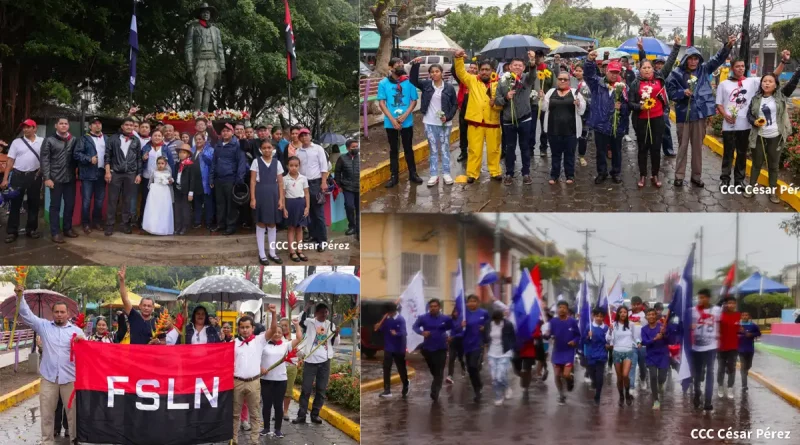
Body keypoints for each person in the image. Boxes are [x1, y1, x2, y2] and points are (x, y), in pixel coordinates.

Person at [16, 283, 85, 445]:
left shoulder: (77, 331)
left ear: (68, 314)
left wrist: (82, 342)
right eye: (56, 312)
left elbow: (87, 353)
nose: (59, 315)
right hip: (49, 379)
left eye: (62, 312)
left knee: (73, 414)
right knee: (46, 414)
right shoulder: (44, 326)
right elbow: (26, 315)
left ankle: (75, 440)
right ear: (52, 313)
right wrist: (20, 296)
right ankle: (47, 441)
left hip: (71, 379)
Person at [667, 35, 735, 187]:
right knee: (683, 147)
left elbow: (717, 59)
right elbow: (670, 92)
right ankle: (679, 176)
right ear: (685, 59)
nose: (693, 61)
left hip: (700, 115)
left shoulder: (704, 70)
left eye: (696, 58)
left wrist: (728, 46)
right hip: (684, 116)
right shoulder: (676, 74)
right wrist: (682, 93)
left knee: (698, 148)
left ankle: (696, 176)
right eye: (690, 58)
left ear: (699, 60)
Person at [716, 54, 787, 189]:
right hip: (729, 126)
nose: (741, 69)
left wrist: (783, 61)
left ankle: (739, 180)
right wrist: (725, 115)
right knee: (728, 154)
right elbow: (719, 104)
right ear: (732, 68)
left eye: (742, 66)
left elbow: (773, 76)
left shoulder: (752, 82)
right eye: (737, 66)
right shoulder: (723, 84)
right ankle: (725, 180)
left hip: (745, 126)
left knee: (742, 154)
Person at [745, 67, 800, 203]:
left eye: (770, 81)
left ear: (775, 84)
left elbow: (792, 83)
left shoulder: (780, 96)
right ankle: (751, 188)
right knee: (756, 164)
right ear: (761, 83)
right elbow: (749, 115)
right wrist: (754, 121)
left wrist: (798, 70)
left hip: (776, 136)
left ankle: (772, 192)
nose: (767, 83)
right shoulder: (756, 99)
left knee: (773, 166)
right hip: (759, 136)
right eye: (764, 81)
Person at [454, 50, 503, 183]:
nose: (484, 72)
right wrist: (458, 59)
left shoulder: (499, 83)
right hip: (475, 122)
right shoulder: (472, 80)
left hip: (493, 121)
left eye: (487, 70)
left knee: (494, 150)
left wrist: (496, 105)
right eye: (482, 70)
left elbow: (503, 101)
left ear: (492, 70)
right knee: (474, 150)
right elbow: (460, 73)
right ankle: (472, 173)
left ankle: (495, 171)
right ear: (479, 70)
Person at [231, 307, 278, 445]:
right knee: (234, 414)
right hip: (237, 382)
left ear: (252, 328)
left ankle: (254, 440)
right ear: (238, 329)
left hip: (254, 382)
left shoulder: (259, 340)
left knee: (254, 414)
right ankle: (233, 439)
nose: (245, 330)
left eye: (247, 327)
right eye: (242, 327)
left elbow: (273, 330)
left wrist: (274, 314)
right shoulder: (233, 343)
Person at [410, 57, 458, 187]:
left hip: (444, 124)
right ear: (430, 74)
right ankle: (433, 175)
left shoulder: (449, 88)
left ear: (442, 73)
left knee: (444, 148)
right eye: (432, 72)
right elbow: (413, 80)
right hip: (429, 123)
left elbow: (455, 104)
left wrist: (447, 117)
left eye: (437, 71)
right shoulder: (426, 85)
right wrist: (416, 65)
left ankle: (447, 173)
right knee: (433, 149)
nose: (434, 74)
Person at [584, 52, 630, 185]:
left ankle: (616, 172)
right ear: (606, 71)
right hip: (600, 125)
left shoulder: (624, 88)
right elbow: (588, 75)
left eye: (617, 72)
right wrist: (589, 61)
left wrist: (621, 107)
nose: (614, 75)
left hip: (617, 125)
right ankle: (601, 172)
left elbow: (628, 109)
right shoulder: (597, 84)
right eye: (612, 72)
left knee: (616, 151)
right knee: (601, 151)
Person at [377, 57, 422, 188]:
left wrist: (405, 115)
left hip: (406, 122)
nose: (401, 66)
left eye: (402, 64)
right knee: (393, 150)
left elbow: (414, 100)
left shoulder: (409, 82)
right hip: (390, 123)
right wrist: (392, 120)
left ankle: (413, 174)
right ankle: (394, 176)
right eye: (398, 64)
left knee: (408, 148)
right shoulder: (383, 83)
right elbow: (381, 103)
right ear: (391, 68)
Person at [494, 52, 537, 185]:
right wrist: (506, 98)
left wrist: (532, 61)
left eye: (520, 65)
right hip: (508, 120)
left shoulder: (526, 79)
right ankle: (509, 173)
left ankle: (526, 173)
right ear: (510, 67)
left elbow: (533, 74)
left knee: (525, 147)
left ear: (524, 68)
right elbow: (497, 100)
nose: (517, 67)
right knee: (510, 148)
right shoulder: (502, 81)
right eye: (515, 65)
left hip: (525, 118)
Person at [294, 303, 340, 424]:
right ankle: (301, 415)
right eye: (321, 312)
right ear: (316, 313)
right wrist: (305, 308)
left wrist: (336, 333)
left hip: (325, 361)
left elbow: (335, 343)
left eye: (326, 312)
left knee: (321, 389)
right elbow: (299, 321)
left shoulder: (331, 325)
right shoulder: (309, 322)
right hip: (310, 361)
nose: (324, 314)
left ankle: (315, 414)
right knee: (306, 389)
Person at [260, 315, 303, 438]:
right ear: (271, 332)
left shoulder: (286, 345)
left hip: (280, 380)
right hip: (266, 380)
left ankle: (277, 429)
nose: (277, 334)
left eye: (279, 332)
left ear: (282, 334)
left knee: (278, 405)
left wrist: (296, 325)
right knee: (266, 405)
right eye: (275, 332)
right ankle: (266, 428)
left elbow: (299, 338)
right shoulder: (264, 345)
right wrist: (260, 368)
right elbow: (257, 359)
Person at [629, 59, 668, 188]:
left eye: (648, 67)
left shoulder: (659, 79)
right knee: (643, 148)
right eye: (644, 68)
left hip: (657, 119)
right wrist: (640, 107)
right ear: (640, 70)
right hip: (642, 120)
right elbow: (630, 103)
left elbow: (670, 63)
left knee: (656, 148)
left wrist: (677, 47)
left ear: (653, 69)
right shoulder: (635, 83)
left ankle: (655, 174)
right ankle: (643, 174)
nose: (646, 70)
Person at [2, 119, 43, 244]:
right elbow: (10, 161)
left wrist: (42, 172)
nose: (25, 129)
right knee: (15, 204)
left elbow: (46, 158)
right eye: (24, 127)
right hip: (18, 176)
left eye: (28, 127)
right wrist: (5, 179)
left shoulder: (41, 141)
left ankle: (31, 229)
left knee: (33, 204)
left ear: (34, 128)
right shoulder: (16, 142)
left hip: (35, 176)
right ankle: (12, 231)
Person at [541, 71, 586, 185]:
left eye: (565, 79)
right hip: (553, 129)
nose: (562, 81)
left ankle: (569, 175)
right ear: (557, 80)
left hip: (570, 130)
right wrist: (542, 98)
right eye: (560, 79)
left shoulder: (575, 93)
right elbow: (544, 108)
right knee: (555, 154)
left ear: (569, 81)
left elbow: (581, 111)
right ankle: (554, 175)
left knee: (569, 154)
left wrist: (578, 104)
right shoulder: (551, 92)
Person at [41, 117, 79, 244]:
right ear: (56, 126)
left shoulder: (73, 140)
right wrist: (47, 178)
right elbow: (45, 160)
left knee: (70, 204)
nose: (63, 125)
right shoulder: (49, 140)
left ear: (68, 126)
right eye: (61, 124)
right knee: (55, 206)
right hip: (55, 178)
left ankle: (67, 228)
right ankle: (55, 232)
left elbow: (76, 158)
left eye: (66, 124)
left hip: (70, 178)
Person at [104, 118, 143, 236]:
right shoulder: (113, 139)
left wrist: (139, 173)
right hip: (115, 172)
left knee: (127, 200)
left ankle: (125, 224)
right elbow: (107, 156)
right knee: (112, 200)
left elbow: (138, 158)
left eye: (131, 125)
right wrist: (107, 172)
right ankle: (110, 225)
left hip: (130, 173)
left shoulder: (136, 140)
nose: (129, 127)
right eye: (127, 125)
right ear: (122, 126)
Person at [249, 139, 284, 265]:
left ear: (273, 149)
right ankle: (262, 254)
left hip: (274, 194)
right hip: (260, 193)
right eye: (264, 148)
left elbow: (280, 182)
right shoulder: (256, 162)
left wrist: (281, 199)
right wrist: (253, 198)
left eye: (269, 147)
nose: (267, 150)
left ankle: (272, 252)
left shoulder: (277, 163)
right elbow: (252, 181)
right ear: (260, 149)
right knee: (261, 223)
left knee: (272, 223)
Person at [412, 298, 454, 401]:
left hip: (441, 348)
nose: (433, 308)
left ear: (439, 307)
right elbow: (415, 326)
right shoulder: (423, 318)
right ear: (429, 308)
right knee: (434, 370)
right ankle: (437, 381)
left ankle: (435, 392)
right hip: (428, 349)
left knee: (439, 371)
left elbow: (453, 328)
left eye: (435, 306)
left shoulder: (446, 319)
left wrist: (450, 336)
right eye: (431, 306)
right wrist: (422, 332)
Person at [211, 123, 247, 235]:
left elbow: (241, 162)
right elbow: (214, 162)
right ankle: (220, 224)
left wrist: (239, 178)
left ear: (232, 132)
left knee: (231, 204)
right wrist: (211, 178)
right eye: (223, 131)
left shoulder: (236, 145)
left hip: (231, 178)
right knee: (220, 203)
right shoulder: (218, 145)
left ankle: (230, 226)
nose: (225, 133)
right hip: (218, 179)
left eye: (228, 131)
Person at [74, 117, 108, 234]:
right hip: (88, 173)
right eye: (94, 124)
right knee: (86, 201)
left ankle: (97, 222)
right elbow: (76, 154)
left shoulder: (106, 138)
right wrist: (89, 159)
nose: (97, 126)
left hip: (101, 172)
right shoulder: (84, 139)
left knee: (99, 200)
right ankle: (86, 223)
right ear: (90, 126)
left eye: (99, 123)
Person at [296, 128, 328, 251]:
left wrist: (323, 182)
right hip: (303, 184)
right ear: (299, 138)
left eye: (306, 135)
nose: (304, 137)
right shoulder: (298, 152)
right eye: (302, 136)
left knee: (319, 213)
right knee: (308, 212)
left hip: (316, 182)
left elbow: (324, 166)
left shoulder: (318, 149)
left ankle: (322, 241)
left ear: (310, 136)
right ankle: (313, 235)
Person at [691, 288, 722, 411]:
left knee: (710, 372)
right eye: (699, 298)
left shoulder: (716, 310)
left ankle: (708, 401)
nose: (701, 300)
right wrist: (690, 326)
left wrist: (718, 336)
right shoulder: (693, 311)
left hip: (711, 346)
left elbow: (719, 325)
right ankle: (697, 392)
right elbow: (686, 325)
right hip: (696, 347)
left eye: (703, 297)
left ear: (709, 298)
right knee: (697, 374)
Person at [374, 302, 409, 398]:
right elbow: (383, 329)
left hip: (399, 348)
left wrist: (396, 334)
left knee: (401, 368)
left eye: (388, 312)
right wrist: (378, 327)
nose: (387, 314)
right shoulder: (386, 319)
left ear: (392, 311)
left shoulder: (400, 319)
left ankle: (405, 384)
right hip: (389, 347)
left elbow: (404, 333)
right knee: (386, 368)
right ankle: (387, 390)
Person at [547, 300, 580, 405]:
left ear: (567, 309)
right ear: (557, 309)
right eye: (560, 307)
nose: (561, 309)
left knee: (565, 375)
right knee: (557, 375)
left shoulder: (572, 322)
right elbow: (549, 335)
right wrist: (547, 334)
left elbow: (578, 335)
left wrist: (574, 341)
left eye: (564, 307)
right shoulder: (553, 321)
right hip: (557, 352)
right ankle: (561, 394)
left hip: (568, 352)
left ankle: (570, 379)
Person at [118, 266, 160, 345]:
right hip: (133, 355)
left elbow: (164, 341)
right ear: (140, 306)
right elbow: (125, 299)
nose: (146, 308)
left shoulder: (158, 322)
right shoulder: (134, 316)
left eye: (149, 306)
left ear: (153, 308)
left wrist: (158, 342)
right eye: (144, 305)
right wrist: (122, 280)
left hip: (150, 356)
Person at [607, 306, 638, 406]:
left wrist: (638, 343)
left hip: (628, 352)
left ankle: (627, 394)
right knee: (619, 378)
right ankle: (621, 396)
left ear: (627, 314)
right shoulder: (613, 325)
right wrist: (610, 330)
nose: (623, 314)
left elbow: (635, 337)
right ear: (618, 314)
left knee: (625, 375)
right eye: (621, 312)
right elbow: (608, 338)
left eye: (625, 312)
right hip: (616, 352)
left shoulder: (631, 324)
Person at [531, 51, 560, 157]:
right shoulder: (530, 70)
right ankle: (531, 148)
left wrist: (547, 98)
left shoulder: (549, 71)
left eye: (540, 57)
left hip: (545, 103)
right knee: (531, 128)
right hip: (532, 103)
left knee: (545, 127)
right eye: (536, 57)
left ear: (543, 58)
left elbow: (554, 86)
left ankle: (543, 147)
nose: (538, 59)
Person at [641, 308, 670, 410]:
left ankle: (661, 383)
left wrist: (664, 334)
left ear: (656, 316)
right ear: (646, 317)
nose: (651, 316)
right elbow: (644, 342)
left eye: (653, 314)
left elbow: (669, 340)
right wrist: (654, 339)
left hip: (663, 355)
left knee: (661, 377)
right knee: (653, 376)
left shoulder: (662, 327)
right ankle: (656, 400)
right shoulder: (644, 329)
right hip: (651, 356)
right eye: (649, 315)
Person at [282, 156, 309, 262]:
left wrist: (307, 207)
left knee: (300, 228)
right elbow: (283, 195)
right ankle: (292, 251)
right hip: (290, 204)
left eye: (296, 166)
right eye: (291, 166)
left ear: (299, 166)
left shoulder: (303, 178)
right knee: (291, 228)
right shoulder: (285, 179)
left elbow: (306, 193)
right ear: (287, 166)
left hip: (301, 203)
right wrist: (284, 208)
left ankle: (300, 250)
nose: (294, 168)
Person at [486, 309, 514, 406]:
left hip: (504, 354)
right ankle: (498, 397)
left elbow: (513, 338)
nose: (497, 321)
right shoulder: (489, 324)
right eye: (495, 319)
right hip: (492, 354)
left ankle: (506, 387)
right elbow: (486, 337)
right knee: (494, 378)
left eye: (499, 319)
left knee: (500, 376)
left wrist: (511, 349)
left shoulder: (508, 325)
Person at [451, 62, 477, 163]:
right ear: (468, 69)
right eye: (471, 68)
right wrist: (458, 59)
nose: (473, 70)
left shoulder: (479, 81)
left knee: (474, 133)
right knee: (463, 132)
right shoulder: (463, 79)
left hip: (475, 112)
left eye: (475, 68)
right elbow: (454, 71)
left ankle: (474, 152)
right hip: (463, 110)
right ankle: (463, 152)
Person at [141, 157, 175, 235]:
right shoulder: (154, 172)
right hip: (155, 192)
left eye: (162, 163)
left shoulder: (168, 173)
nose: (160, 165)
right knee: (154, 208)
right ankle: (152, 227)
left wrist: (169, 181)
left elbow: (171, 180)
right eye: (158, 163)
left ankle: (163, 228)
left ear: (165, 164)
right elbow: (150, 182)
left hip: (164, 192)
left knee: (163, 209)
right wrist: (151, 189)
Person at [583, 308, 609, 405]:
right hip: (590, 355)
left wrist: (608, 344)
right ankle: (594, 382)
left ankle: (597, 396)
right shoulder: (589, 327)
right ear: (593, 316)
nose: (599, 318)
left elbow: (609, 341)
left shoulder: (606, 328)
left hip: (601, 355)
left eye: (601, 316)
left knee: (600, 377)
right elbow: (584, 341)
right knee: (592, 374)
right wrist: (588, 336)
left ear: (603, 317)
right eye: (597, 316)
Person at [717, 296, 740, 399]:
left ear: (735, 304)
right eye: (729, 303)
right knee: (721, 369)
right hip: (721, 347)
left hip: (733, 348)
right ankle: (720, 386)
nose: (730, 305)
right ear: (725, 304)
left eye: (732, 303)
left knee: (732, 369)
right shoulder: (720, 316)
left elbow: (740, 329)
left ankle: (730, 388)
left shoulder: (738, 316)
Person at [334, 140, 359, 236]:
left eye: (357, 146)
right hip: (348, 187)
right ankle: (352, 226)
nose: (356, 148)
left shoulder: (359, 158)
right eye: (353, 147)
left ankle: (358, 227)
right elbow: (337, 172)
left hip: (358, 186)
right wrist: (339, 185)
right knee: (349, 206)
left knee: (358, 207)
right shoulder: (342, 158)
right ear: (348, 148)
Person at [191, 133, 215, 229]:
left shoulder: (210, 149)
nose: (198, 141)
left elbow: (211, 162)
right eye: (196, 139)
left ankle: (209, 222)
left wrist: (203, 153)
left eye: (200, 139)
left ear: (204, 140)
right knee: (197, 202)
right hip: (194, 180)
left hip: (205, 180)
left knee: (208, 202)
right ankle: (197, 221)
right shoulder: (192, 149)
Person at [627, 296, 648, 395]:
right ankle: (631, 386)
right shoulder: (627, 314)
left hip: (643, 345)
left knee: (643, 366)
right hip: (631, 344)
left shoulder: (645, 315)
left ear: (641, 304)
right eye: (633, 304)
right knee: (632, 365)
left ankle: (643, 379)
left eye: (637, 304)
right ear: (631, 305)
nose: (635, 306)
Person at [173, 144, 196, 235]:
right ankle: (177, 226)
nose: (181, 154)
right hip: (177, 189)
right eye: (180, 152)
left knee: (185, 209)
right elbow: (176, 175)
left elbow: (192, 179)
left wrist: (191, 192)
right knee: (177, 208)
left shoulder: (191, 165)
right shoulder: (177, 164)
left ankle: (185, 226)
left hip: (186, 190)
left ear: (188, 154)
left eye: (184, 152)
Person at [573, 65, 592, 167]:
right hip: (573, 114)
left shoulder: (588, 84)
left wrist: (582, 102)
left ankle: (581, 156)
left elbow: (592, 99)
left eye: (580, 70)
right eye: (576, 70)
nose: (578, 72)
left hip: (585, 114)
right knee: (572, 135)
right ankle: (571, 155)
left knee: (583, 136)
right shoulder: (571, 82)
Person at [737, 310, 761, 391]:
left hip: (750, 349)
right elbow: (733, 334)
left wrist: (751, 334)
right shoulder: (738, 325)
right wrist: (739, 335)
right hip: (740, 350)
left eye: (746, 315)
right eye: (743, 315)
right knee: (743, 367)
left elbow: (758, 333)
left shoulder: (753, 325)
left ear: (749, 317)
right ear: (741, 317)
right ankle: (744, 386)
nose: (744, 317)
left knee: (748, 366)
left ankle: (745, 372)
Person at [445, 308, 466, 385]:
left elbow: (462, 333)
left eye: (457, 311)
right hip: (452, 344)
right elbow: (448, 330)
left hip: (460, 343)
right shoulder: (451, 321)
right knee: (451, 359)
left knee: (461, 358)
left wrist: (453, 336)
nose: (455, 313)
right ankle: (450, 375)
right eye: (454, 312)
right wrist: (447, 337)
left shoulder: (462, 321)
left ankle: (464, 368)